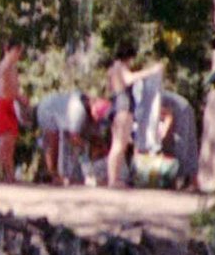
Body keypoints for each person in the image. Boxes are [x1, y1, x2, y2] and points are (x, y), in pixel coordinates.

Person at [105, 46, 169, 188]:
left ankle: (113, 178)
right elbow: (129, 79)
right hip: (124, 106)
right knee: (119, 145)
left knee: (116, 144)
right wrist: (150, 71)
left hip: (115, 104)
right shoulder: (120, 67)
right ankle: (113, 180)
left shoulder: (111, 69)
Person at [34, 89, 92, 184]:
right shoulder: (78, 110)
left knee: (64, 143)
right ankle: (53, 175)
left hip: (52, 105)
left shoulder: (79, 101)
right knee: (52, 142)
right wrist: (85, 147)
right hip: (47, 110)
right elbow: (74, 137)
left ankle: (66, 175)